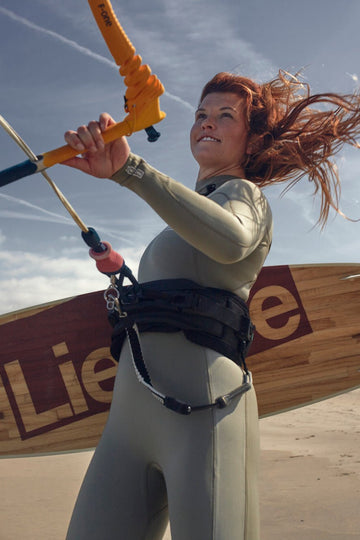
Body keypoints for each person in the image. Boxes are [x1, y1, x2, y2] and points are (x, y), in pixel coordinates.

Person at [63, 71, 360, 540]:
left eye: (226, 116)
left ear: (253, 138)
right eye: (202, 114)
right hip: (127, 425)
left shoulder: (247, 197)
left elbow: (231, 239)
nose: (207, 123)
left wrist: (132, 171)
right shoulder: (178, 224)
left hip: (204, 413)